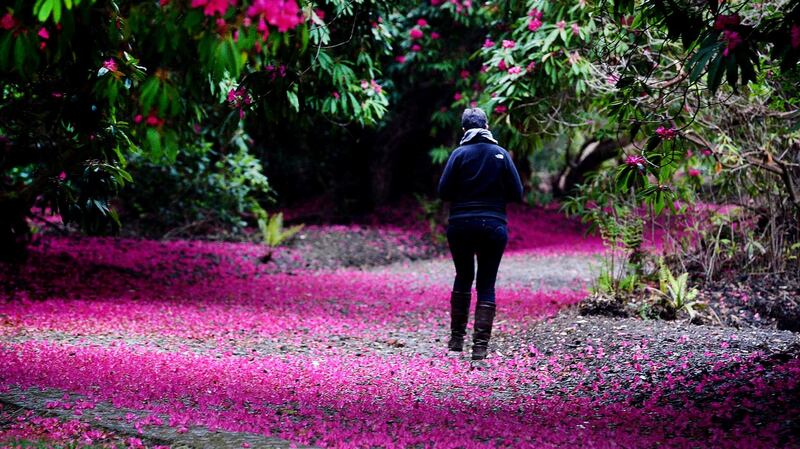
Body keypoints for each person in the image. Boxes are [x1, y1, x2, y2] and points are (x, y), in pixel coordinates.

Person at [437, 107, 524, 360]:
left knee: (463, 277)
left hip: (461, 224)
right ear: (486, 126)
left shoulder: (458, 154)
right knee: (486, 283)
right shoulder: (501, 154)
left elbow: (443, 192)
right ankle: (480, 348)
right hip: (494, 225)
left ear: (464, 129)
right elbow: (518, 193)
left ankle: (455, 343)